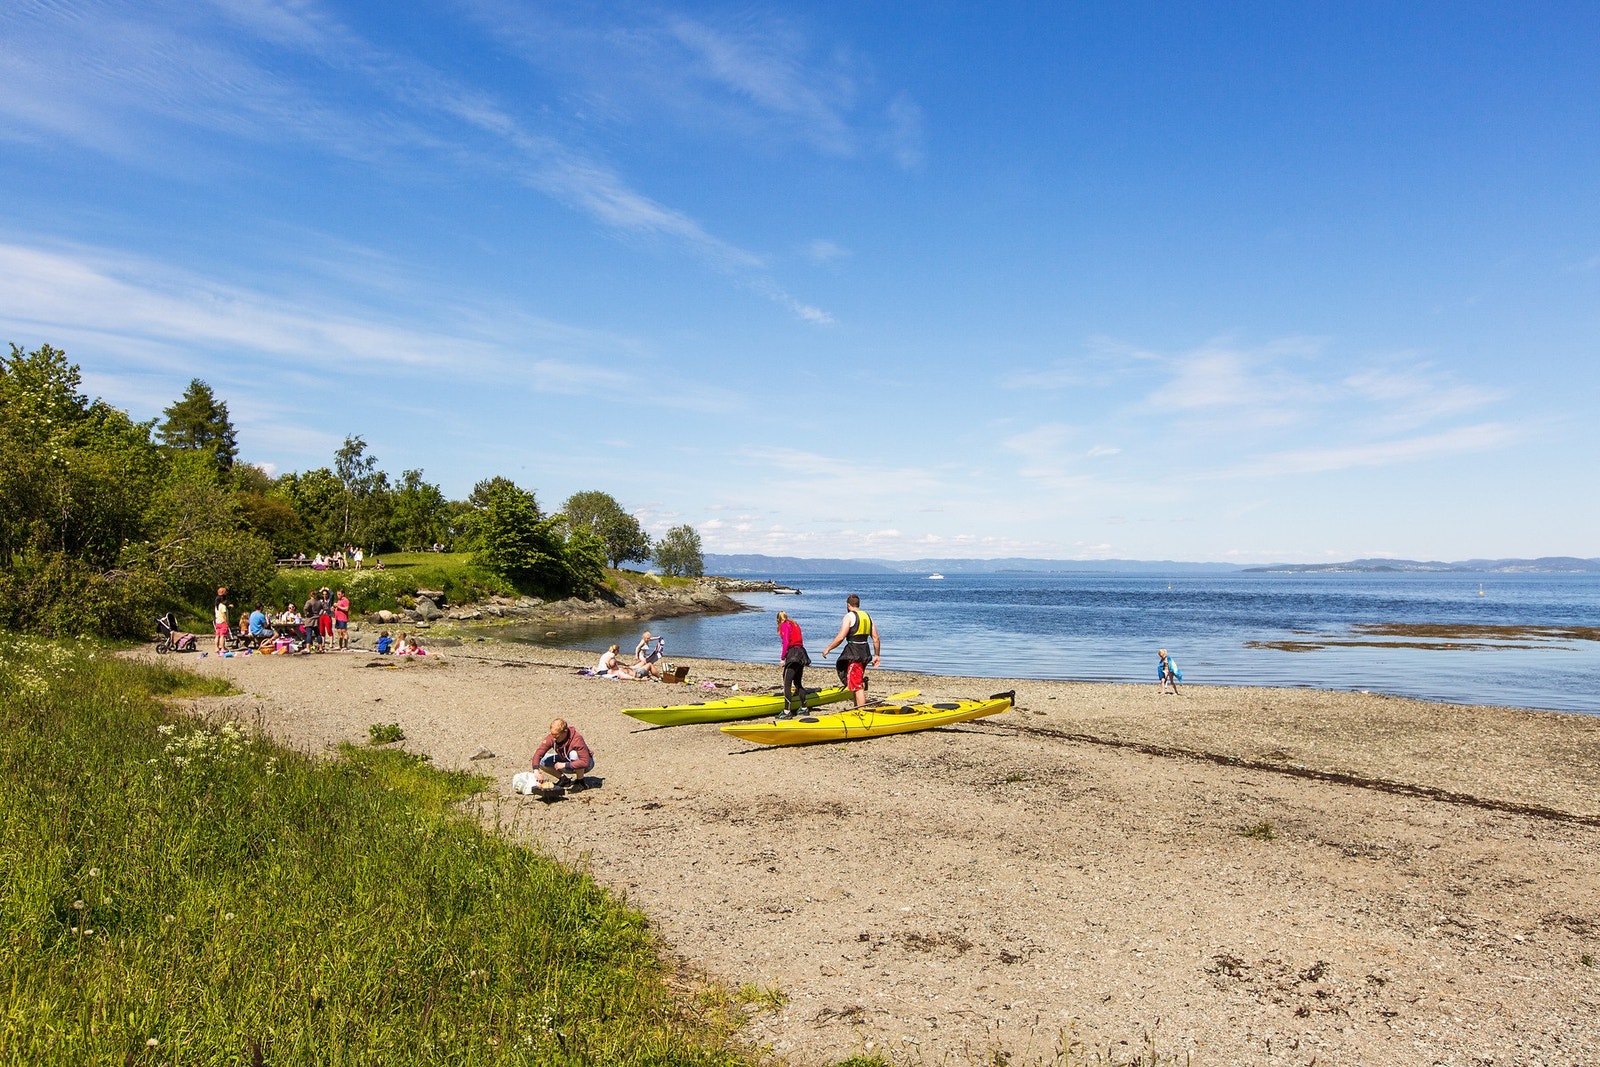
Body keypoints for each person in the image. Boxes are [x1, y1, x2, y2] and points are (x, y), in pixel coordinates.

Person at [823, 594, 881, 707]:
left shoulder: (849, 616)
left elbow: (841, 637)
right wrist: (877, 655)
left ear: (848, 605)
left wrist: (828, 649)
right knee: (856, 681)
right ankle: (856, 708)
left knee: (857, 684)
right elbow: (876, 638)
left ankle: (861, 711)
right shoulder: (868, 616)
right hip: (865, 651)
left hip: (854, 652)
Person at [532, 718, 594, 790]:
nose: (554, 739)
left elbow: (585, 762)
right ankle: (564, 780)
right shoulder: (552, 738)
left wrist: (564, 765)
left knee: (574, 754)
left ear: (565, 732)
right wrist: (536, 771)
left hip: (585, 764)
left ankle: (580, 782)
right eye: (552, 735)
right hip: (566, 759)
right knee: (542, 760)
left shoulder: (577, 739)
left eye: (556, 736)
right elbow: (538, 753)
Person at [776, 610, 811, 716]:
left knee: (787, 683)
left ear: (778, 620)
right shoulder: (795, 624)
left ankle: (787, 711)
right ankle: (804, 707)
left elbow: (786, 642)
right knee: (797, 682)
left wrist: (782, 658)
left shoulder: (784, 625)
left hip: (793, 654)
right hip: (801, 653)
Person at [212, 588, 230, 653]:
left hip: (217, 622)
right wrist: (226, 622)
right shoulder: (223, 606)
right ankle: (222, 648)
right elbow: (224, 615)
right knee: (222, 636)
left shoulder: (217, 605)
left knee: (217, 635)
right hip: (223, 622)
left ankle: (216, 648)